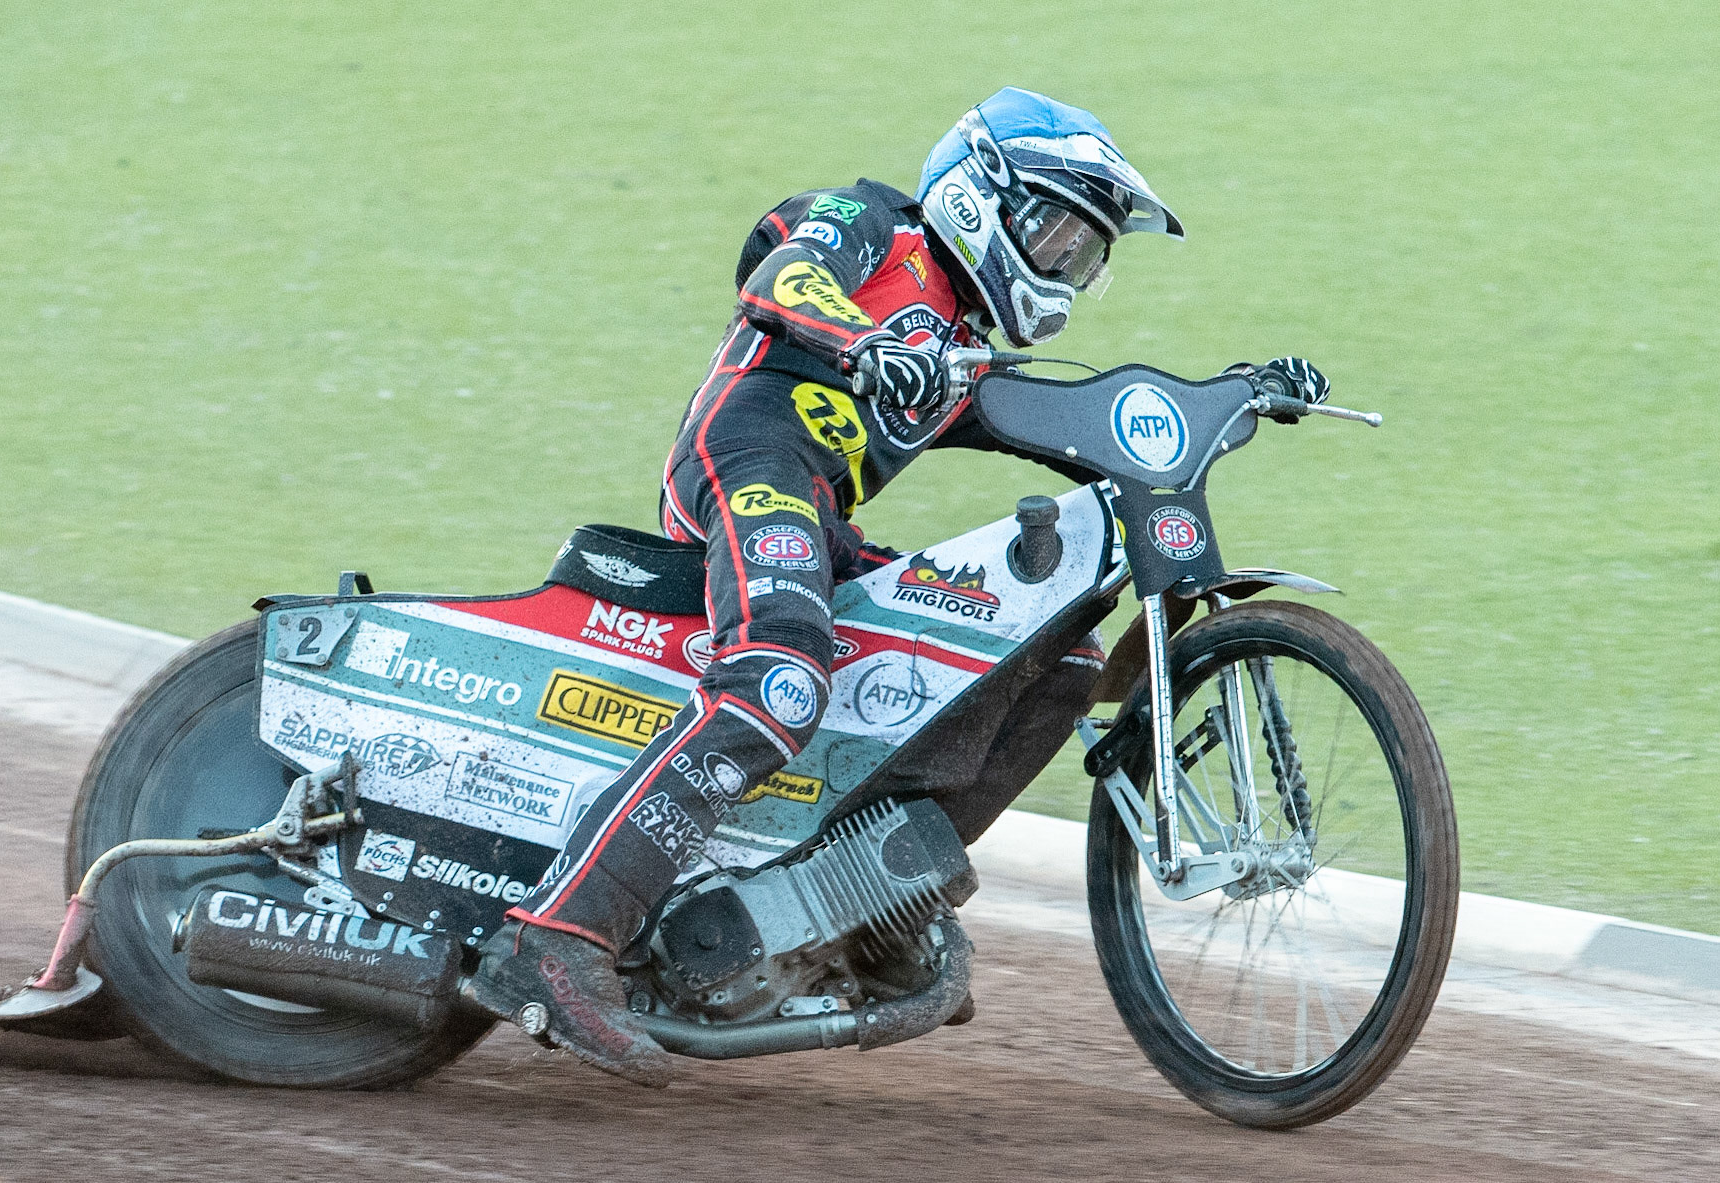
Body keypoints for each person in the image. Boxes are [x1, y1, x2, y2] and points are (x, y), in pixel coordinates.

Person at [468, 87, 1329, 1085]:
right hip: (746, 463)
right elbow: (779, 274)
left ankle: (873, 907)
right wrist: (868, 345)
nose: (1062, 267)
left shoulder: (958, 349)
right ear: (977, 197)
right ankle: (561, 933)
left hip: (824, 524)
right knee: (780, 680)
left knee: (1053, 653)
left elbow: (1082, 422)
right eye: (1051, 230)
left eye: (1082, 255)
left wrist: (1231, 393)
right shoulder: (874, 226)